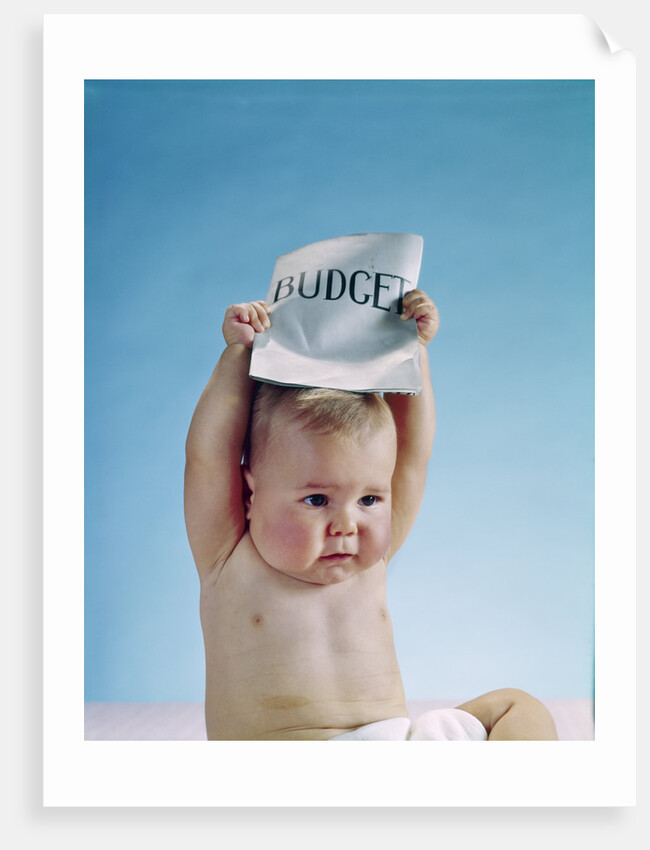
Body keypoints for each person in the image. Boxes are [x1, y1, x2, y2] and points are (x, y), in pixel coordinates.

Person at [184, 290, 558, 741]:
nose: (347, 526)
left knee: (518, 707)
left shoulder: (370, 561)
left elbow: (412, 453)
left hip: (395, 753)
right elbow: (207, 458)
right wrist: (239, 354)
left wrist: (409, 350)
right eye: (317, 500)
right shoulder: (227, 557)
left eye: (369, 500)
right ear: (249, 493)